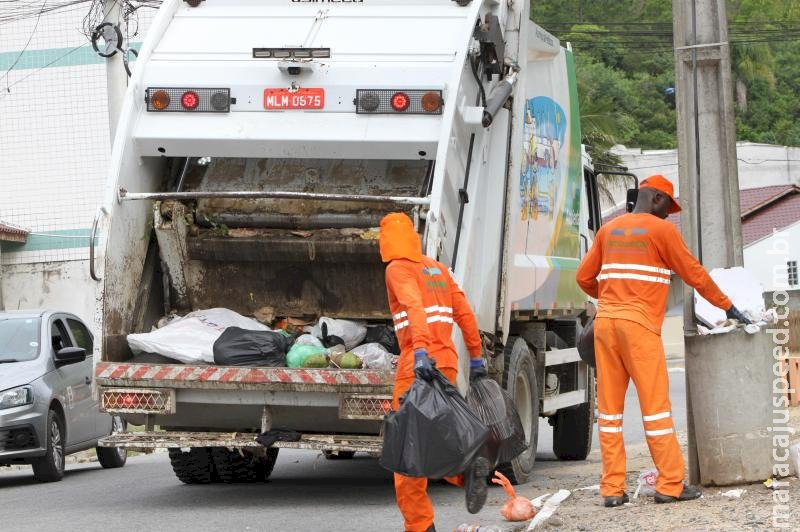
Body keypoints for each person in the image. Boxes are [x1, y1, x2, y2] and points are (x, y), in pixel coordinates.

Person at [576, 175, 750, 507]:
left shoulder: (607, 230)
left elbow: (583, 277)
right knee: (656, 410)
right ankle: (670, 485)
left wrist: (611, 297)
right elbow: (694, 274)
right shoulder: (662, 232)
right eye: (669, 206)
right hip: (639, 328)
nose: (669, 214)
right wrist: (728, 306)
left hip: (605, 325)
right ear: (656, 198)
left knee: (609, 413)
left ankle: (612, 490)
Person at [379, 212, 490, 532]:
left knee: (408, 450)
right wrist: (476, 357)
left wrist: (421, 351)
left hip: (418, 366)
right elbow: (464, 312)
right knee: (438, 437)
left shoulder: (397, 269)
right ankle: (466, 470)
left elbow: (414, 306)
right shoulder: (438, 269)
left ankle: (420, 526)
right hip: (447, 363)